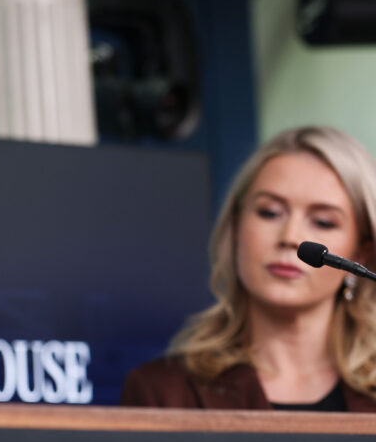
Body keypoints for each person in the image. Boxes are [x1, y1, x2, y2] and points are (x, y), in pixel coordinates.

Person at [121, 126, 376, 411]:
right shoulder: (160, 392)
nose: (290, 237)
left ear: (362, 252)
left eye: (323, 221)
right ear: (236, 228)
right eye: (269, 212)